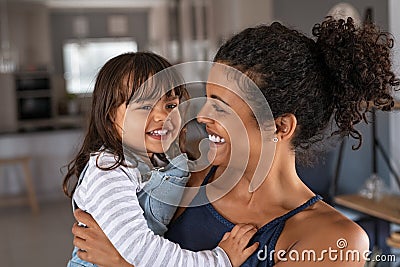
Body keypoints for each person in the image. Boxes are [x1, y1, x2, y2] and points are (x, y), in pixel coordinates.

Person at [71, 17, 399, 266]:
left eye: (223, 107)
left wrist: (124, 263)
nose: (200, 117)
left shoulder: (336, 239)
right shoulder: (185, 179)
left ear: (281, 126)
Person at [63, 51, 259, 267]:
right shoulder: (109, 170)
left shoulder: (161, 163)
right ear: (111, 115)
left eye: (170, 105)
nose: (162, 117)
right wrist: (219, 260)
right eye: (145, 106)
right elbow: (141, 250)